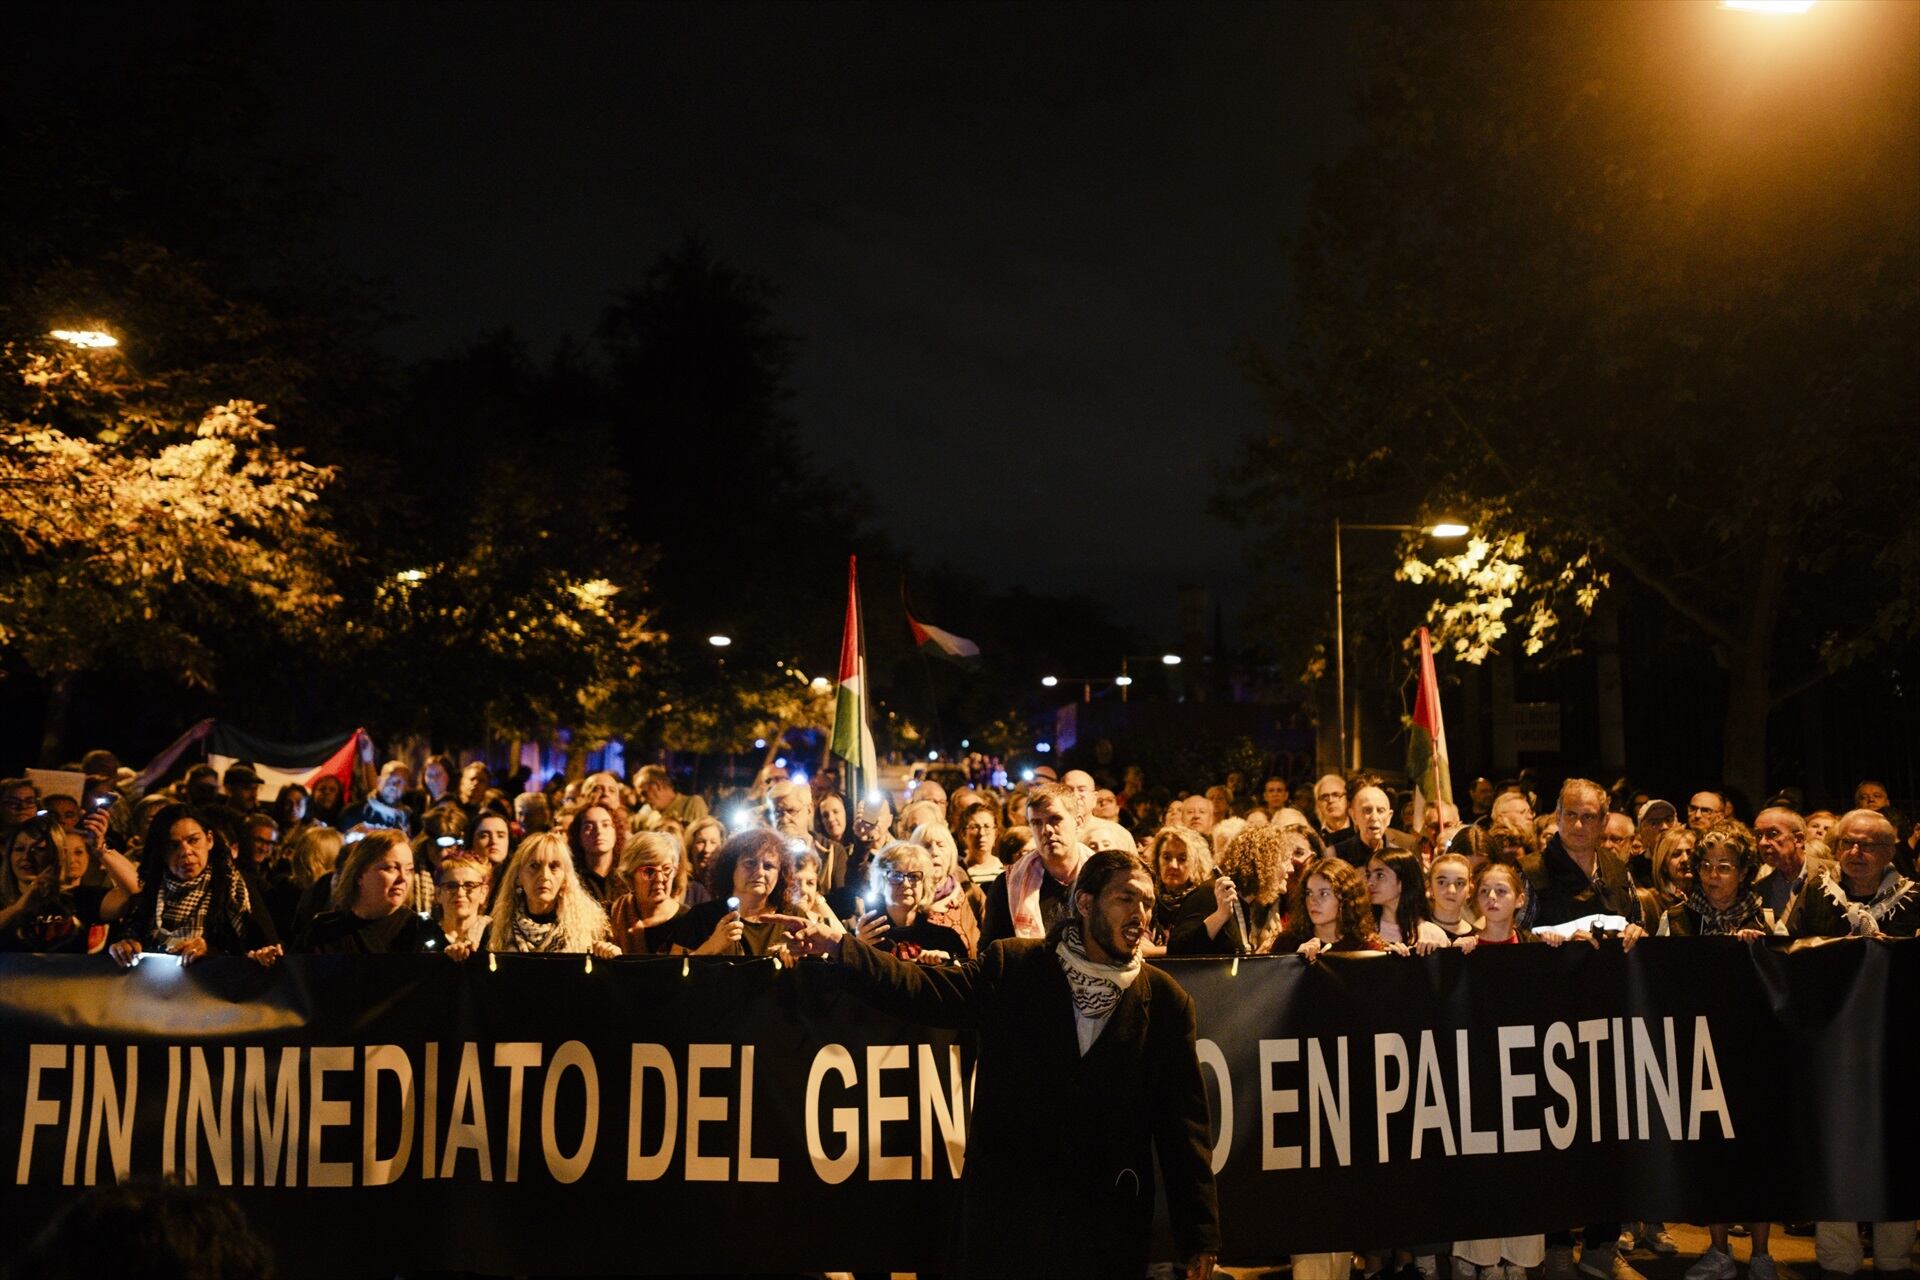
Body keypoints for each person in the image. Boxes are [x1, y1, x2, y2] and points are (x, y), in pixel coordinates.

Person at [773, 849, 1221, 1280]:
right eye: (1126, 898)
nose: (1140, 913)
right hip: (1008, 1216)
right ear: (1085, 903)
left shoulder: (1166, 1003)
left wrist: (1199, 1234)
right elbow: (921, 989)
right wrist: (840, 946)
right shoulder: (1015, 966)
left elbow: (1184, 1127)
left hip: (1104, 1226)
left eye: (1147, 901)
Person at [107, 804, 281, 968]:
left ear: (210, 840)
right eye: (174, 846)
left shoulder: (236, 887)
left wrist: (211, 952)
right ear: (161, 851)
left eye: (193, 841)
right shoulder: (152, 887)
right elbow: (133, 931)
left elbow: (262, 951)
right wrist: (125, 947)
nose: (185, 852)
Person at [297, 830, 446, 955]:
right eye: (391, 868)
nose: (403, 879)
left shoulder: (421, 929)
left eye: (409, 870)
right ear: (360, 875)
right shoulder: (323, 930)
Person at [979, 783, 1092, 947]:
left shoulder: (1103, 878)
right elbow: (990, 950)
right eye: (1037, 822)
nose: (1047, 830)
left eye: (1055, 819)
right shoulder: (1008, 885)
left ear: (1078, 822)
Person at [1785, 807, 1920, 938]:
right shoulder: (1818, 889)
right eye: (1848, 842)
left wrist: (1891, 948)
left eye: (1866, 844)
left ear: (1889, 852)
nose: (1854, 852)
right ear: (1837, 849)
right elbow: (1793, 945)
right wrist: (1839, 947)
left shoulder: (1911, 896)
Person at [485, 831, 619, 956]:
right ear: (518, 876)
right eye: (534, 866)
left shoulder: (589, 927)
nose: (544, 876)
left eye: (554, 867)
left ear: (565, 878)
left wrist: (610, 955)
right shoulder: (499, 927)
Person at [1172, 824, 1298, 956]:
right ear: (1265, 862)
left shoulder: (1246, 903)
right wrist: (1220, 916)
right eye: (1285, 860)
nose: (1291, 869)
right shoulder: (1212, 893)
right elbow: (1176, 949)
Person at [674, 828, 796, 958]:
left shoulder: (793, 917)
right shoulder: (702, 916)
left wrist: (798, 955)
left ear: (780, 874)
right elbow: (673, 972)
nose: (760, 872)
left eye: (768, 866)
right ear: (731, 868)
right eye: (750, 863)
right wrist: (711, 947)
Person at [849, 840, 968, 963]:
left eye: (914, 876)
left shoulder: (945, 938)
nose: (906, 883)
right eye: (896, 875)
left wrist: (946, 964)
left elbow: (965, 977)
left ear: (924, 884)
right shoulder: (865, 936)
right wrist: (857, 947)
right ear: (881, 882)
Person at [1657, 821, 1769, 939]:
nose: (1713, 875)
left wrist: (1757, 949)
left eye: (1723, 867)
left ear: (1743, 873)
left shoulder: (1765, 921)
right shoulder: (1674, 920)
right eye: (1706, 866)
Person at [1278, 856, 1382, 961]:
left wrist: (1397, 959)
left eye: (1323, 893)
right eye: (1309, 893)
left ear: (1345, 898)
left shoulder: (1365, 948)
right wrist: (1294, 961)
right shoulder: (1287, 943)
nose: (1313, 901)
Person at [608, 832, 688, 956]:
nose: (660, 878)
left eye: (666, 869)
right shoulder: (614, 915)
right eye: (649, 871)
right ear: (629, 877)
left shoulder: (688, 921)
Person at [1365, 847, 1452, 954]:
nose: (1370, 882)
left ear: (1404, 881)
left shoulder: (1431, 934)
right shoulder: (1363, 931)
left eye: (1380, 875)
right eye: (1368, 875)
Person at [913, 821, 980, 958]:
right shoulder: (907, 897)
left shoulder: (971, 894)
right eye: (926, 846)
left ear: (951, 852)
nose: (934, 852)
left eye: (940, 845)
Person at [1147, 825, 1213, 950]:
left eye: (1182, 859)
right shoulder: (1149, 895)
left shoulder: (1205, 898)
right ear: (1157, 860)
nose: (1173, 865)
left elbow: (1192, 950)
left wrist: (1153, 951)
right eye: (1166, 857)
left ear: (1196, 863)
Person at [566, 801, 627, 905]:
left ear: (616, 832)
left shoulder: (628, 875)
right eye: (588, 827)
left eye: (605, 825)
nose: (598, 831)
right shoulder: (570, 879)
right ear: (578, 836)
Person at [434, 848, 493, 954]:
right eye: (451, 886)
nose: (460, 893)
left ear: (483, 893)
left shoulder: (496, 934)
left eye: (469, 885)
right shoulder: (425, 936)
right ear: (438, 893)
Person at [338, 761, 413, 834]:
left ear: (406, 788)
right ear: (379, 781)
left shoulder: (408, 818)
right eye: (390, 779)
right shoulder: (353, 812)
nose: (394, 786)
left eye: (400, 782)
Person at [636, 764, 708, 827]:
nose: (642, 800)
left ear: (657, 786)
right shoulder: (650, 817)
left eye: (644, 793)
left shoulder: (692, 804)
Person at [1647, 828, 1697, 914]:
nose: (1685, 859)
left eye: (1690, 853)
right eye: (1676, 854)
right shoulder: (1654, 901)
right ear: (1663, 864)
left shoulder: (1708, 897)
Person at [681, 815, 724, 905]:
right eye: (700, 842)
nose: (707, 849)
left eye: (713, 842)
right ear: (690, 846)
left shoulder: (726, 883)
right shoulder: (682, 883)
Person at [1312, 773, 1351, 839]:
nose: (1330, 800)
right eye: (1324, 797)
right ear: (1318, 804)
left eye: (1336, 795)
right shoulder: (1313, 836)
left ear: (1347, 799)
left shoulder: (1360, 830)